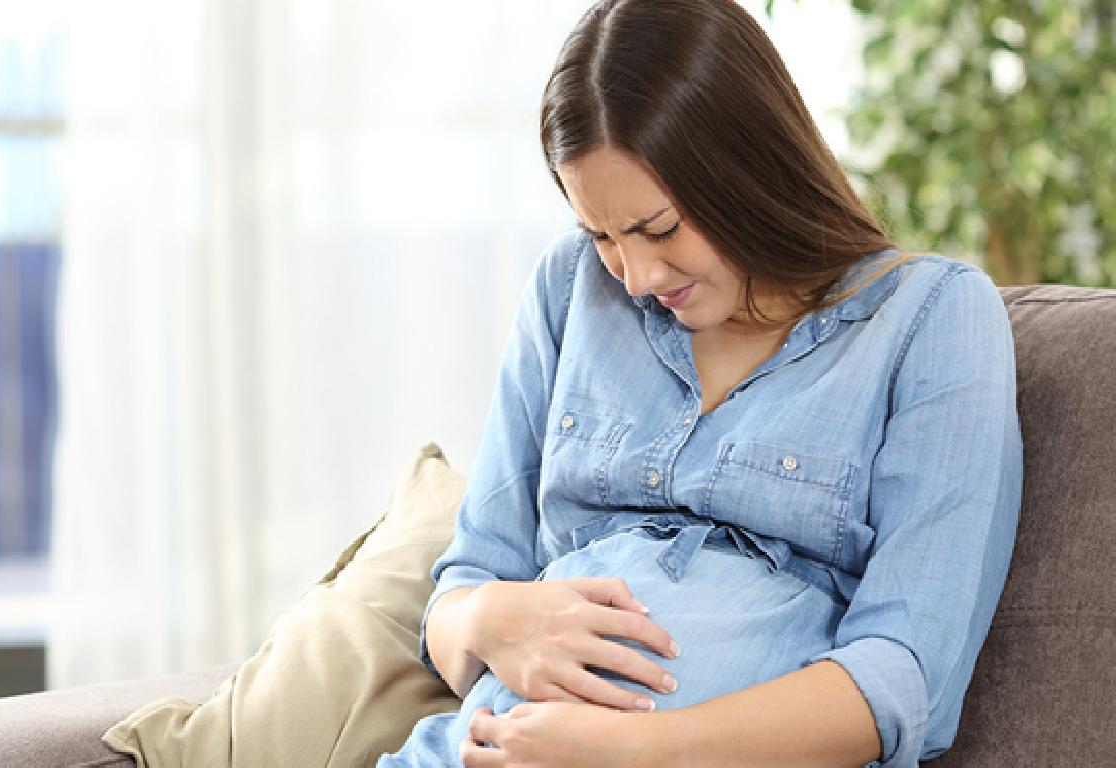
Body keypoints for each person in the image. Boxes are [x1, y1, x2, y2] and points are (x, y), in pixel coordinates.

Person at [379, 1, 1022, 766]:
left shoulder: (930, 319)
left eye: (659, 229)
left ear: (749, 169)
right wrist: (488, 618)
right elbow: (466, 582)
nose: (638, 275)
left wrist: (640, 750)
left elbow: (907, 677)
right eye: (602, 235)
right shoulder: (569, 289)